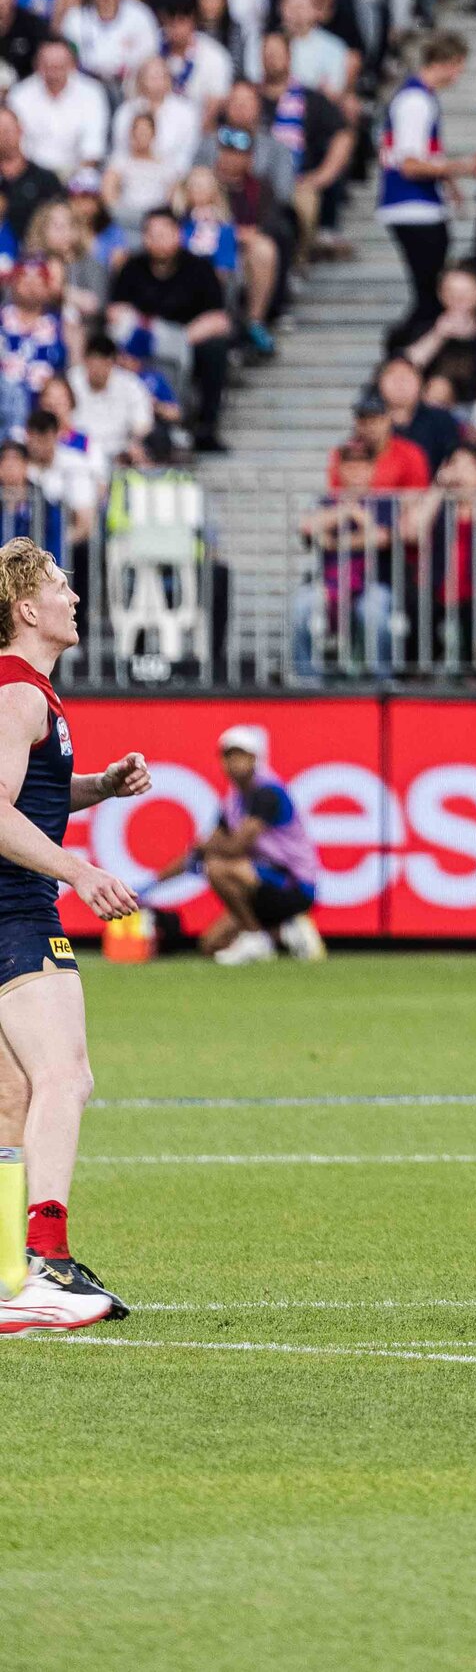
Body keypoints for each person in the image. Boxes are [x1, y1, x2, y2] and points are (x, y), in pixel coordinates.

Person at [0, 538, 146, 1329]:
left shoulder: (28, 695)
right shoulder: (17, 694)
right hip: (15, 910)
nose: (74, 596)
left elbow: (26, 796)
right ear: (27, 609)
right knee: (66, 1077)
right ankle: (47, 1262)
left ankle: (5, 1272)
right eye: (60, 585)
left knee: (12, 1095)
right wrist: (79, 871)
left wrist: (96, 787)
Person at [158, 722, 325, 964]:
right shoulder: (233, 801)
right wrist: (153, 882)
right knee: (211, 944)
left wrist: (204, 848)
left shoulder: (267, 792)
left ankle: (257, 936)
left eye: (240, 756)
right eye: (228, 757)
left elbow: (234, 846)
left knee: (216, 867)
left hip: (292, 884)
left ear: (254, 759)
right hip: (258, 884)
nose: (234, 763)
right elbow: (198, 852)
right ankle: (285, 931)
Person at [377, 31, 468, 327]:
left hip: (419, 204)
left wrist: (449, 182)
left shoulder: (419, 97)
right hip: (413, 205)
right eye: (459, 66)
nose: (459, 75)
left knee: (429, 293)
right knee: (430, 295)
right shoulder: (416, 101)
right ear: (447, 62)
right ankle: (403, 349)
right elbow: (411, 164)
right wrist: (462, 167)